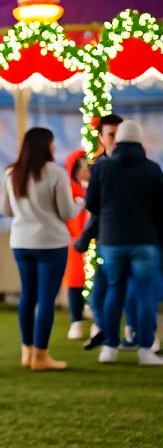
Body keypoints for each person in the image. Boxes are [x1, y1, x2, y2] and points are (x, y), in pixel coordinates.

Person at [1, 127, 84, 372]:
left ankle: (27, 351)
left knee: (28, 296)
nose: (54, 148)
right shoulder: (55, 173)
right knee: (46, 299)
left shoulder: (11, 173)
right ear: (44, 145)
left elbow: (6, 210)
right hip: (51, 243)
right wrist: (81, 201)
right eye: (52, 143)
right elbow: (66, 212)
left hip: (21, 241)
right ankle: (41, 355)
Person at [84, 120, 163, 366]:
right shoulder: (152, 169)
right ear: (140, 142)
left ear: (116, 141)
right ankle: (145, 350)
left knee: (113, 292)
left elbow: (91, 203)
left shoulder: (103, 168)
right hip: (145, 242)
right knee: (144, 296)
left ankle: (109, 347)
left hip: (112, 241)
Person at [80, 113, 123, 349]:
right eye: (111, 135)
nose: (115, 140)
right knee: (101, 288)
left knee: (121, 288)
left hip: (118, 237)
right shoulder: (97, 165)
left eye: (119, 134)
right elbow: (93, 205)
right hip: (104, 235)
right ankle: (103, 328)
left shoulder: (135, 162)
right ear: (101, 137)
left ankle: (126, 334)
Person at [63, 150, 91, 341]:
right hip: (75, 242)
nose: (85, 170)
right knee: (75, 282)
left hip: (94, 241)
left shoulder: (93, 189)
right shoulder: (69, 191)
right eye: (81, 167)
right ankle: (76, 321)